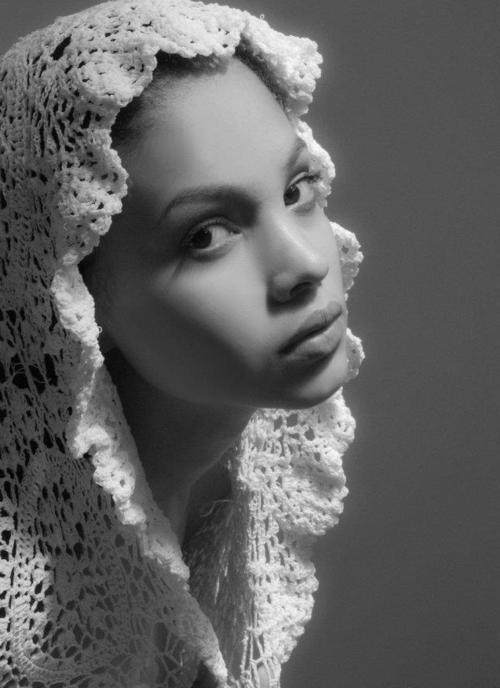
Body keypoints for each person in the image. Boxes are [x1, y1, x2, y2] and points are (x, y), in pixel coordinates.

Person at [0, 1, 363, 686]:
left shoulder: (227, 505)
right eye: (207, 236)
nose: (307, 264)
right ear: (73, 300)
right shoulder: (28, 624)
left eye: (297, 190)